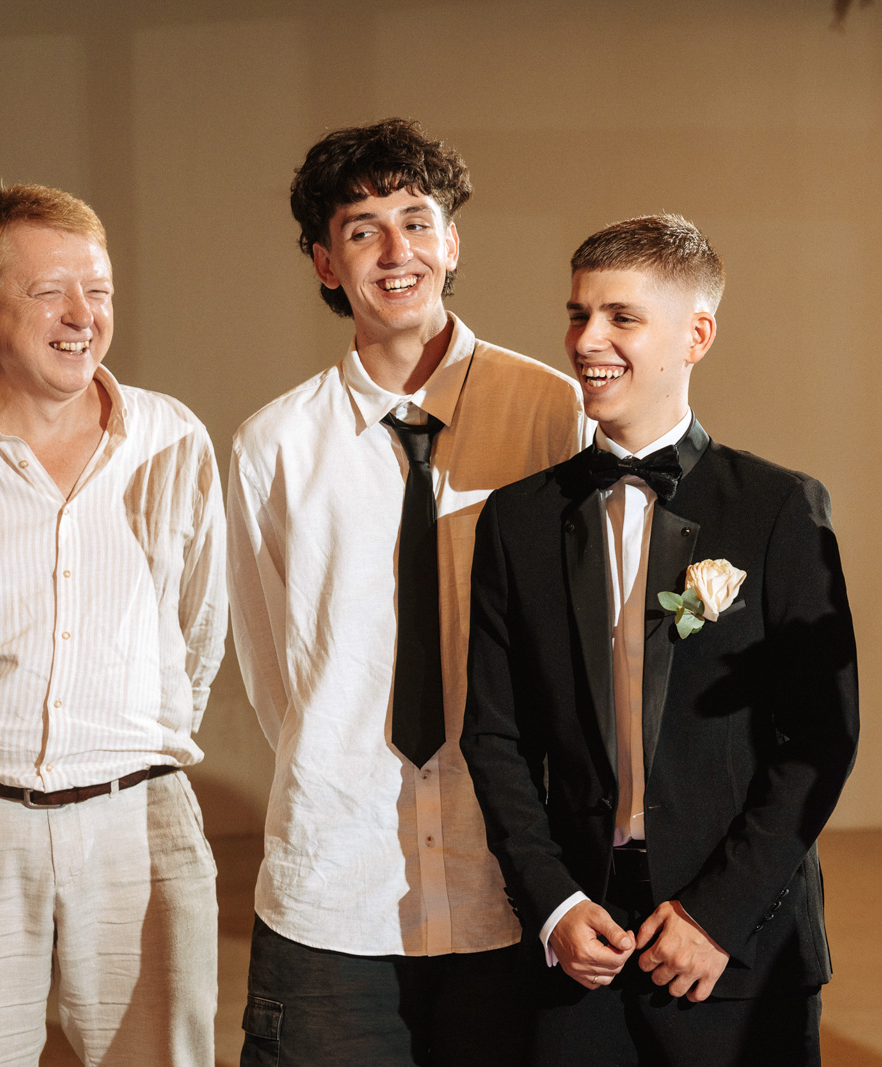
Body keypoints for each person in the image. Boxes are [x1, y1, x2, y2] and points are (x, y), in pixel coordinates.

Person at [227, 117, 586, 1065]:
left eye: (417, 222)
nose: (397, 252)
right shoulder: (273, 446)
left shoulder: (553, 413)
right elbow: (274, 669)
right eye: (363, 230)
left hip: (509, 882)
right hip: (334, 883)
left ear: (452, 242)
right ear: (325, 262)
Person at [462, 214, 859, 1066]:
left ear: (696, 335)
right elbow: (494, 736)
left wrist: (717, 914)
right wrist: (554, 904)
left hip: (738, 952)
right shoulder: (517, 520)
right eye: (578, 314)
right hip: (579, 950)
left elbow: (819, 738)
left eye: (622, 317)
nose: (586, 341)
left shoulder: (780, 508)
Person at [0, 184, 224, 1065]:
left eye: (98, 290)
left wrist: (128, 739)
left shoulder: (173, 439)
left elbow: (200, 625)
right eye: (49, 292)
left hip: (140, 817)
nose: (82, 315)